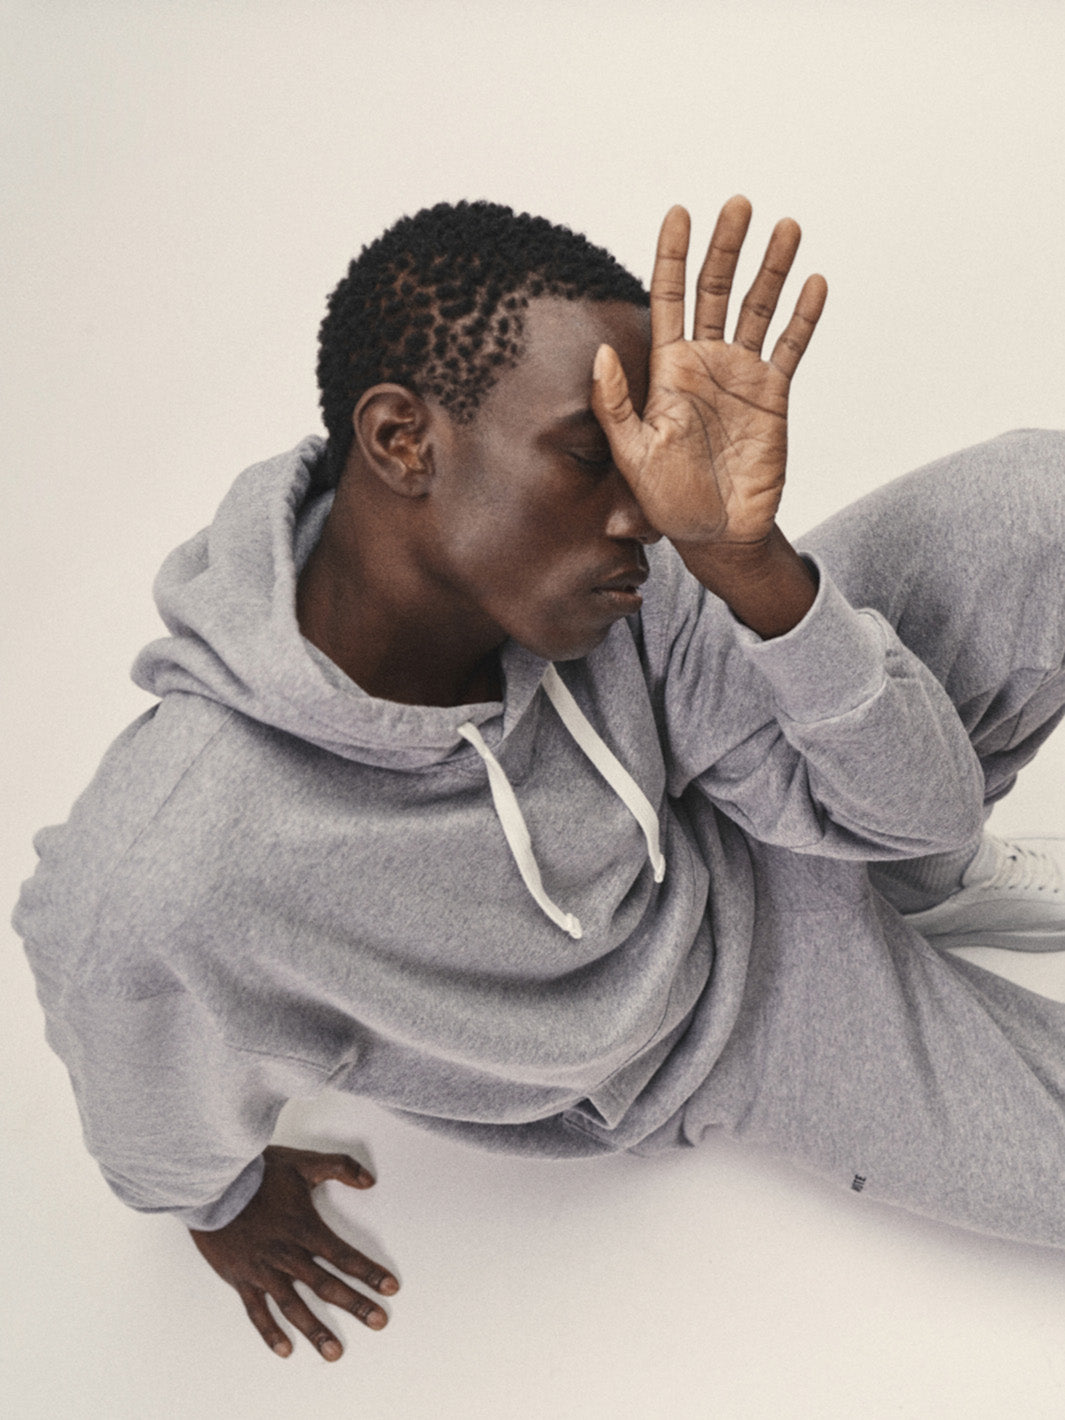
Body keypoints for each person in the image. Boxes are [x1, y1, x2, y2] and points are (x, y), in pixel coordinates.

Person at [14, 196, 1065, 1364]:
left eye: (643, 456)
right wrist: (215, 1205)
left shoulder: (598, 564)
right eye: (588, 454)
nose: (647, 513)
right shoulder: (187, 865)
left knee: (1044, 504)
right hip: (723, 1027)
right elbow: (111, 989)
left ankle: (927, 889)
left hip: (740, 793)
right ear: (403, 440)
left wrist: (747, 565)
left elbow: (920, 806)